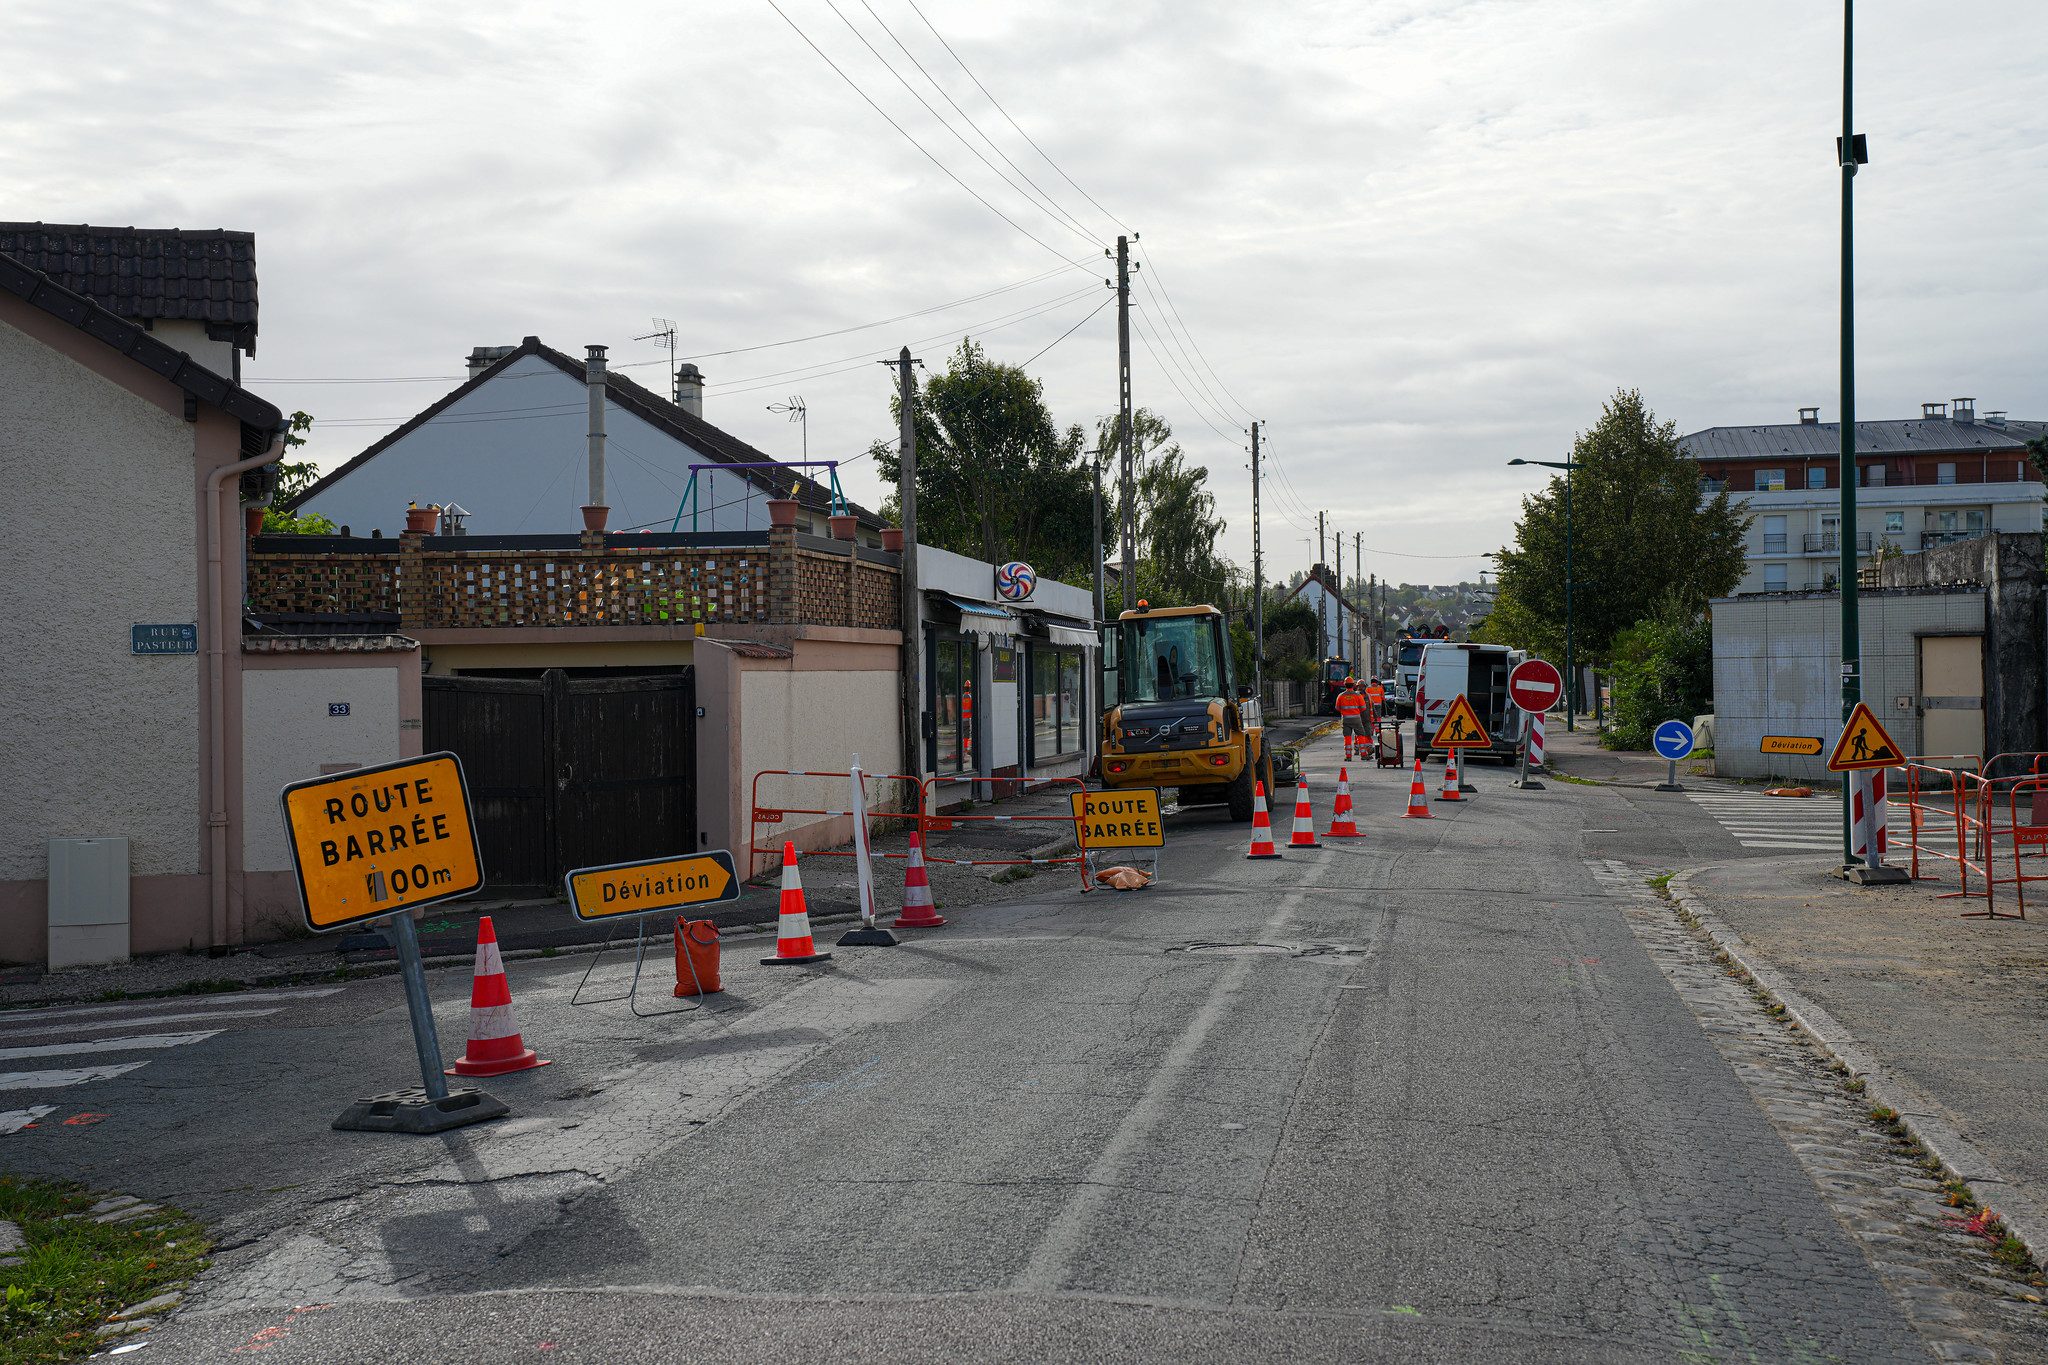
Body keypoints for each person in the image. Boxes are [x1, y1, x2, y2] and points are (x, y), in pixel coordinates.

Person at [1334, 676, 1370, 762]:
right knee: (1361, 735)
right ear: (1353, 685)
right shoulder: (1358, 695)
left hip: (1346, 719)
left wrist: (1345, 712)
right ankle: (1363, 754)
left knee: (1347, 737)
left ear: (1345, 685)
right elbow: (1363, 708)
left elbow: (1337, 708)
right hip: (1356, 719)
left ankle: (1348, 756)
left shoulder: (1341, 696)